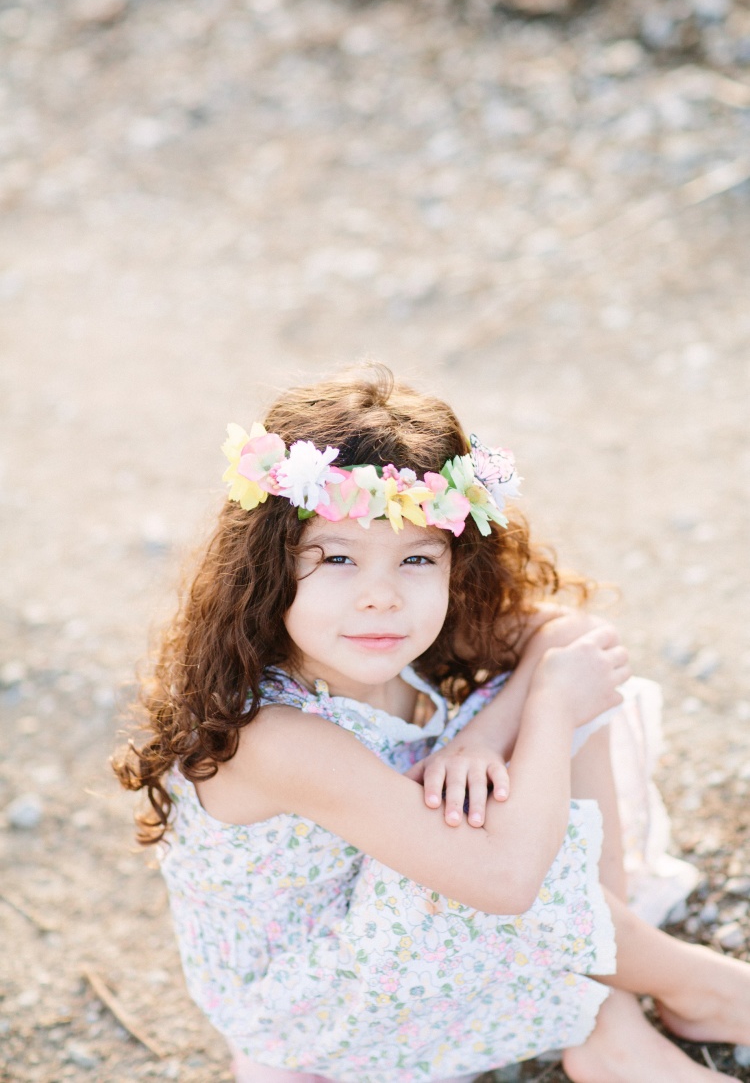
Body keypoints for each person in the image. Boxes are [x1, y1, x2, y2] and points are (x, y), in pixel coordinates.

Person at [114, 365, 750, 1083]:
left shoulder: (385, 639)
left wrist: (482, 736)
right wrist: (543, 709)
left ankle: (608, 1016)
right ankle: (691, 989)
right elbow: (505, 881)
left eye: (417, 558)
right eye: (338, 559)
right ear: (270, 568)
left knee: (559, 693)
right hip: (313, 1007)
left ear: (454, 561)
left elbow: (573, 638)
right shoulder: (275, 737)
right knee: (516, 770)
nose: (381, 596)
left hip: (392, 932)